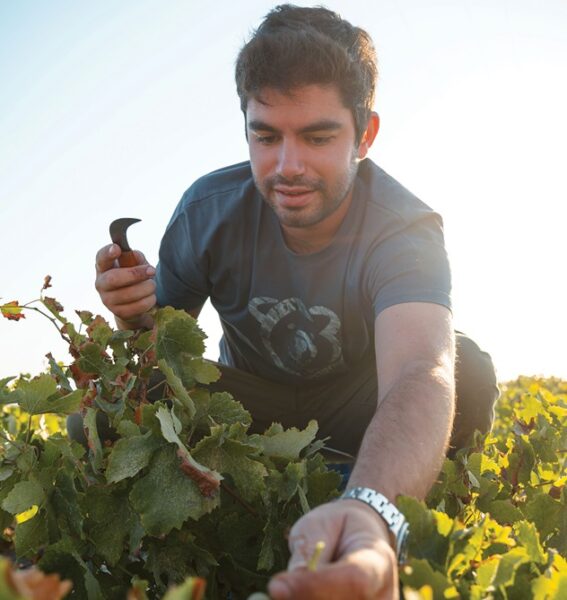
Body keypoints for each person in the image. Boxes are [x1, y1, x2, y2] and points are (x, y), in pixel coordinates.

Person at [93, 5, 498, 598]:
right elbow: (161, 354)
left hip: (359, 403)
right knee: (113, 402)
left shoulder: (404, 228)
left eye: (317, 137)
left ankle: (385, 514)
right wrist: (132, 314)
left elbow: (419, 370)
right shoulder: (206, 213)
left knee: (469, 371)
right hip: (251, 405)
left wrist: (370, 510)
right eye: (265, 136)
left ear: (365, 135)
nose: (287, 167)